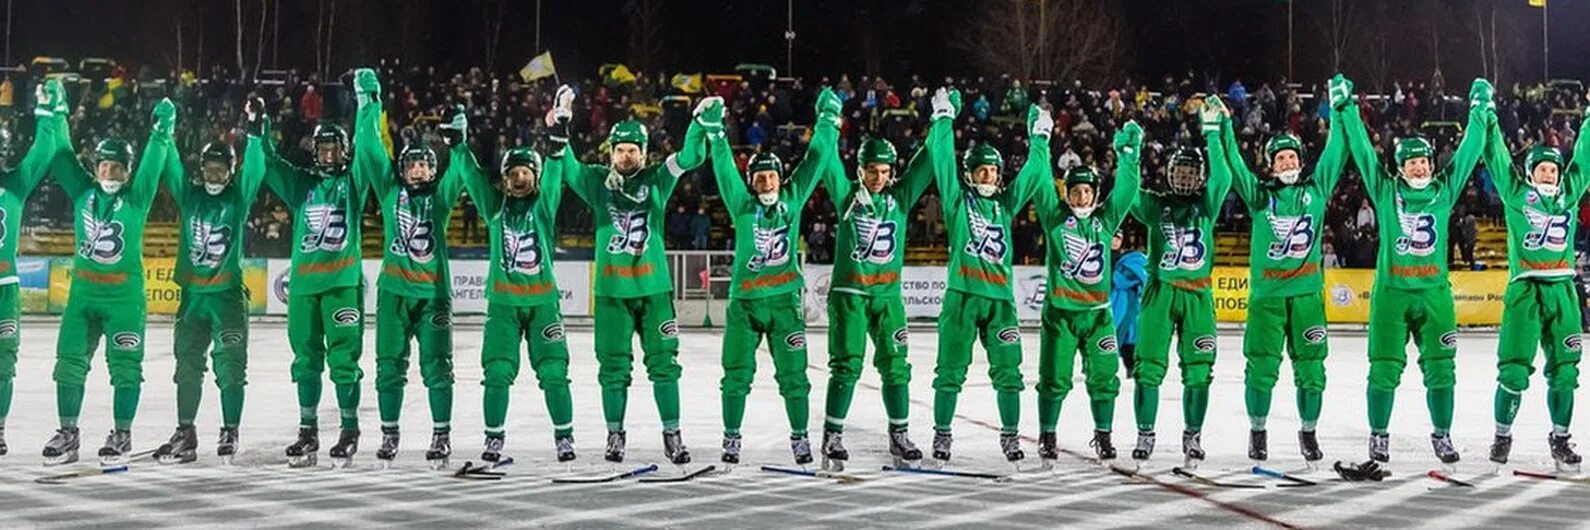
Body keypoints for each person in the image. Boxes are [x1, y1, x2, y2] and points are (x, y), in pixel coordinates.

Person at [1338, 78, 1492, 469]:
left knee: (1442, 368)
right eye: (1412, 163)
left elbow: (1470, 151)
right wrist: (1347, 110)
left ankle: (1441, 435)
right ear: (1400, 167)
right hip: (1392, 292)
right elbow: (1361, 151)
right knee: (1385, 368)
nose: (1420, 167)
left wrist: (1478, 111)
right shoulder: (1387, 190)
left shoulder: (1443, 189)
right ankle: (1379, 437)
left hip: (1434, 293)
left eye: (1423, 161)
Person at [552, 92, 711, 466]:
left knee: (664, 365)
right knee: (613, 369)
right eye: (620, 150)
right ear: (610, 152)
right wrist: (562, 125)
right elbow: (568, 168)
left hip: (654, 291)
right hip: (611, 293)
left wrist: (698, 125)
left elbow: (690, 158)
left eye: (633, 150)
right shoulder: (596, 181)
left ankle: (672, 434)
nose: (627, 156)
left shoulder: (658, 177)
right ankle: (615, 435)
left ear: (643, 152)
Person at [1216, 74, 1353, 466]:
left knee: (1311, 370)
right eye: (1281, 159)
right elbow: (1235, 166)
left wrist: (1342, 110)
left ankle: (1308, 433)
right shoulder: (1260, 197)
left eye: (1292, 156)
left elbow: (1338, 150)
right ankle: (1258, 431)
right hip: (1267, 297)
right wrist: (1224, 126)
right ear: (1272, 166)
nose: (1288, 162)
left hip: (1307, 295)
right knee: (1261, 368)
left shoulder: (1316, 190)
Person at [42, 84, 176, 466]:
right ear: (95, 166)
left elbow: (153, 162)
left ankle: (121, 434)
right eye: (103, 166)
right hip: (83, 296)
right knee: (68, 362)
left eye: (117, 167)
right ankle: (68, 433)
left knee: (125, 367)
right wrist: (57, 114)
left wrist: (161, 131)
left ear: (127, 169)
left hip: (124, 299)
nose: (109, 172)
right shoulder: (83, 192)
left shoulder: (136, 197)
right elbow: (63, 154)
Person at [704, 89, 839, 466]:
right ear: (752, 182)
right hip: (744, 305)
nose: (765, 183)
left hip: (783, 304)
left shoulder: (793, 200)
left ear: (780, 179)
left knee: (794, 376)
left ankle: (799, 438)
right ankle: (731, 439)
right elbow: (724, 169)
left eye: (771, 177)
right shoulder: (742, 205)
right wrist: (716, 132)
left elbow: (815, 161)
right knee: (735, 375)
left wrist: (828, 119)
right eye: (759, 178)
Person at [244, 99, 372, 469]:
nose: (328, 154)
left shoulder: (354, 181)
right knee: (305, 362)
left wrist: (365, 103)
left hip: (341, 285)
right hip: (303, 287)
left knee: (344, 362)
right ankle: (308, 430)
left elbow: (369, 150)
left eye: (334, 147)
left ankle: (349, 431)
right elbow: (268, 162)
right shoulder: (301, 184)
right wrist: (258, 125)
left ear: (345, 150)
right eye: (323, 147)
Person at [930, 98, 1053, 465]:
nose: (987, 176)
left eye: (992, 171)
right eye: (980, 171)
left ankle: (1011, 435)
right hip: (962, 297)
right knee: (949, 371)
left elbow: (1034, 174)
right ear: (969, 175)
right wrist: (943, 119)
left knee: (1009, 374)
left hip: (1000, 301)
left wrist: (1041, 137)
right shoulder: (956, 201)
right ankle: (942, 434)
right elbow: (941, 160)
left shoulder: (1005, 203)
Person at [356, 69, 464, 468]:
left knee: (438, 368)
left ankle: (441, 434)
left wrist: (460, 139)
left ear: (433, 170)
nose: (418, 170)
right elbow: (367, 147)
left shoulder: (442, 197)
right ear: (402, 170)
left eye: (425, 165)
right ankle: (389, 433)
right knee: (388, 367)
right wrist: (369, 102)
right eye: (412, 164)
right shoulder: (389, 192)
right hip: (394, 294)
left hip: (434, 295)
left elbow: (463, 171)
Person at [1482, 88, 1590, 473]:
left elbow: (1586, 158)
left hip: (1562, 288)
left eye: (1554, 169)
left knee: (1566, 370)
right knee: (1513, 369)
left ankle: (1560, 439)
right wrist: (1488, 116)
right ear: (1530, 173)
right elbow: (1495, 157)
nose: (1550, 173)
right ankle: (1502, 435)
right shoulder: (1515, 193)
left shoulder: (1569, 194)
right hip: (1525, 287)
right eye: (1542, 168)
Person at [1031, 121, 1143, 463]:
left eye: (1088, 192)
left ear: (1096, 195)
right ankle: (1048, 435)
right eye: (1076, 191)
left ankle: (1104, 434)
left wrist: (1129, 155)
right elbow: (1038, 182)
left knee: (1105, 378)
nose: (1082, 197)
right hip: (1061, 315)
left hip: (1098, 316)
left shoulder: (1105, 221)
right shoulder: (1053, 216)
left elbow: (1126, 191)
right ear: (1067, 192)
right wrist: (1039, 141)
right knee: (1053, 379)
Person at [0, 80, 76, 458]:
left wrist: (49, 112)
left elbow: (44, 150)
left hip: (4, 287)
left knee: (2, 364)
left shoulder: (13, 184)